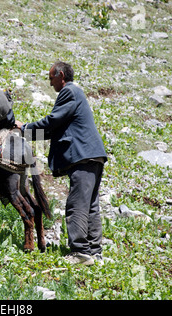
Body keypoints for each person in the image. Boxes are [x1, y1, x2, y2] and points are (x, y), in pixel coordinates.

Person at [15, 61, 107, 266]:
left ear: (61, 75)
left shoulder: (69, 93)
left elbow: (52, 122)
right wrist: (28, 132)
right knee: (90, 205)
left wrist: (24, 128)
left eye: (51, 78)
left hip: (82, 155)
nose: (50, 84)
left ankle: (80, 252)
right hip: (93, 155)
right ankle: (94, 252)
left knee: (76, 204)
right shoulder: (76, 95)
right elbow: (51, 130)